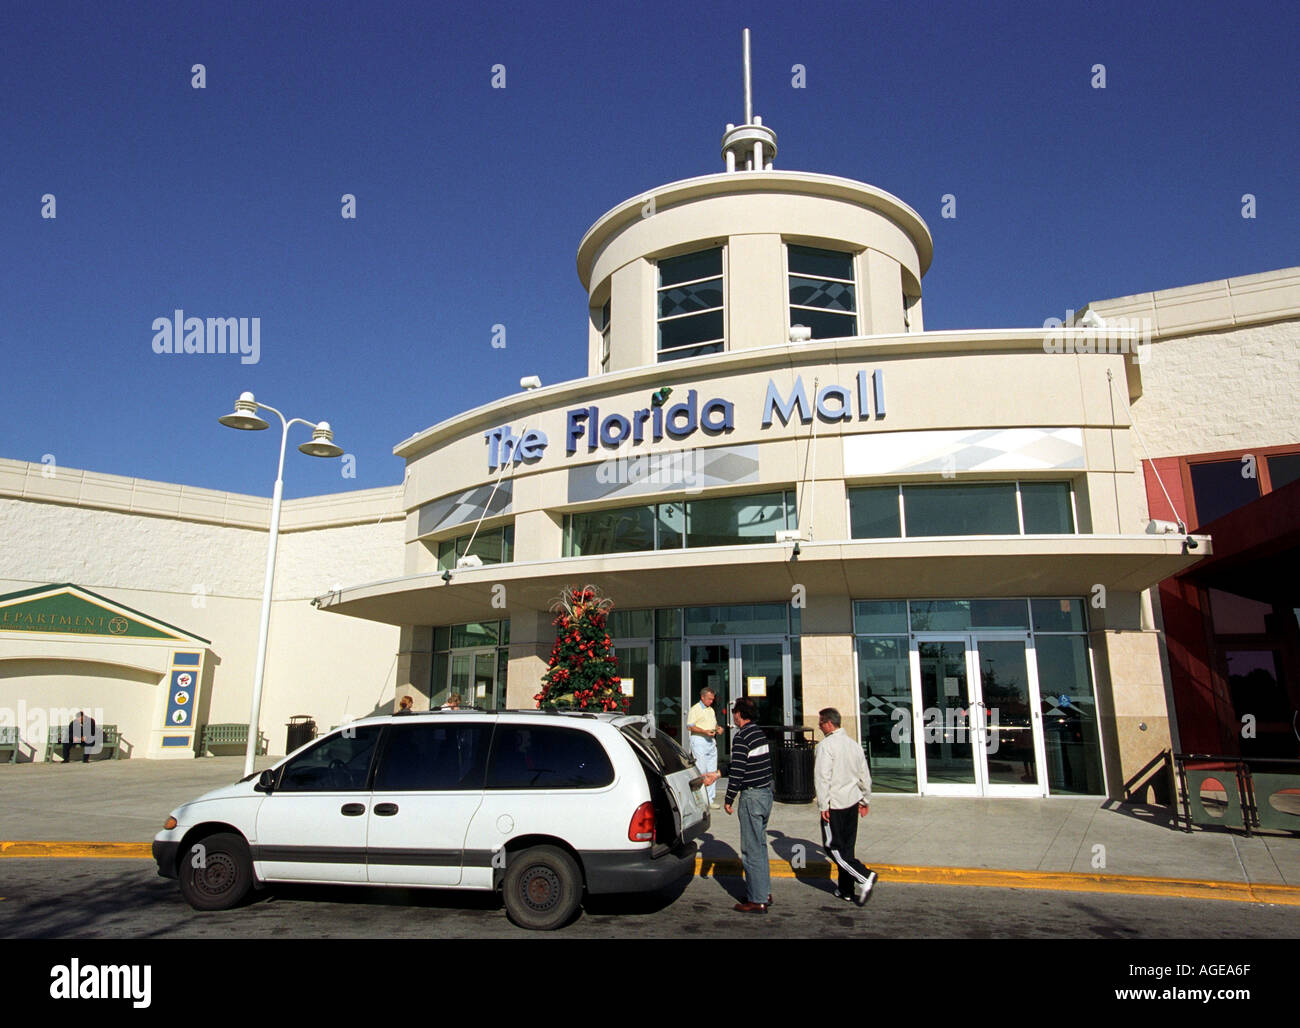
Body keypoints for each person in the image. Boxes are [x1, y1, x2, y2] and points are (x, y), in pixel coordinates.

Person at [814, 707, 877, 905]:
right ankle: (845, 889)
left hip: (835, 804)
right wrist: (865, 800)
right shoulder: (854, 745)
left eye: (821, 723)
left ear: (829, 724)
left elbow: (822, 777)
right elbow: (864, 776)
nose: (819, 726)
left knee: (833, 848)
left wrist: (823, 804)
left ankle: (865, 876)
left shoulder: (826, 746)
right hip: (852, 802)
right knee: (847, 848)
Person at [724, 696, 773, 913]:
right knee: (760, 847)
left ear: (739, 714)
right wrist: (718, 772)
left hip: (751, 797)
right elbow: (745, 763)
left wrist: (728, 798)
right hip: (765, 795)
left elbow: (738, 770)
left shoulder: (741, 736)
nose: (733, 716)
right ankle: (763, 891)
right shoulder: (759, 733)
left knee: (751, 850)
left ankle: (757, 900)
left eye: (734, 712)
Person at [686, 687, 724, 808]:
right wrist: (704, 731)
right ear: (702, 697)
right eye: (709, 699)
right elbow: (690, 726)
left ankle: (710, 799)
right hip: (699, 740)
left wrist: (718, 728)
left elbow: (713, 723)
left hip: (710, 741)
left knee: (712, 770)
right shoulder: (695, 709)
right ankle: (701, 799)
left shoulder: (710, 710)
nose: (711, 701)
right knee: (701, 769)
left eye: (712, 699)